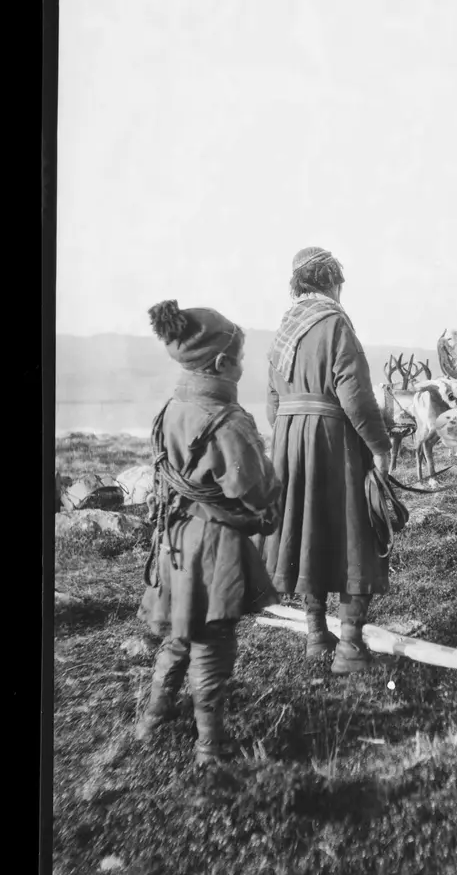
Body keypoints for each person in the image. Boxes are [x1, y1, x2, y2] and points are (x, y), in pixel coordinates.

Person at [136, 300, 281, 765]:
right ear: (223, 364)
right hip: (213, 547)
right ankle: (209, 747)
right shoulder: (229, 421)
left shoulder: (170, 409)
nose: (241, 367)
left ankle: (152, 719)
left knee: (180, 633)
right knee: (212, 643)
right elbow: (255, 492)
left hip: (174, 542)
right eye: (239, 359)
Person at [260, 246, 392, 674]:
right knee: (357, 532)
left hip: (289, 442)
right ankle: (350, 648)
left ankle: (317, 635)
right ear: (331, 280)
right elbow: (354, 395)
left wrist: (291, 433)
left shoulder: (283, 330)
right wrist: (379, 446)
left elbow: (271, 404)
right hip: (332, 442)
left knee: (305, 535)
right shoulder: (334, 322)